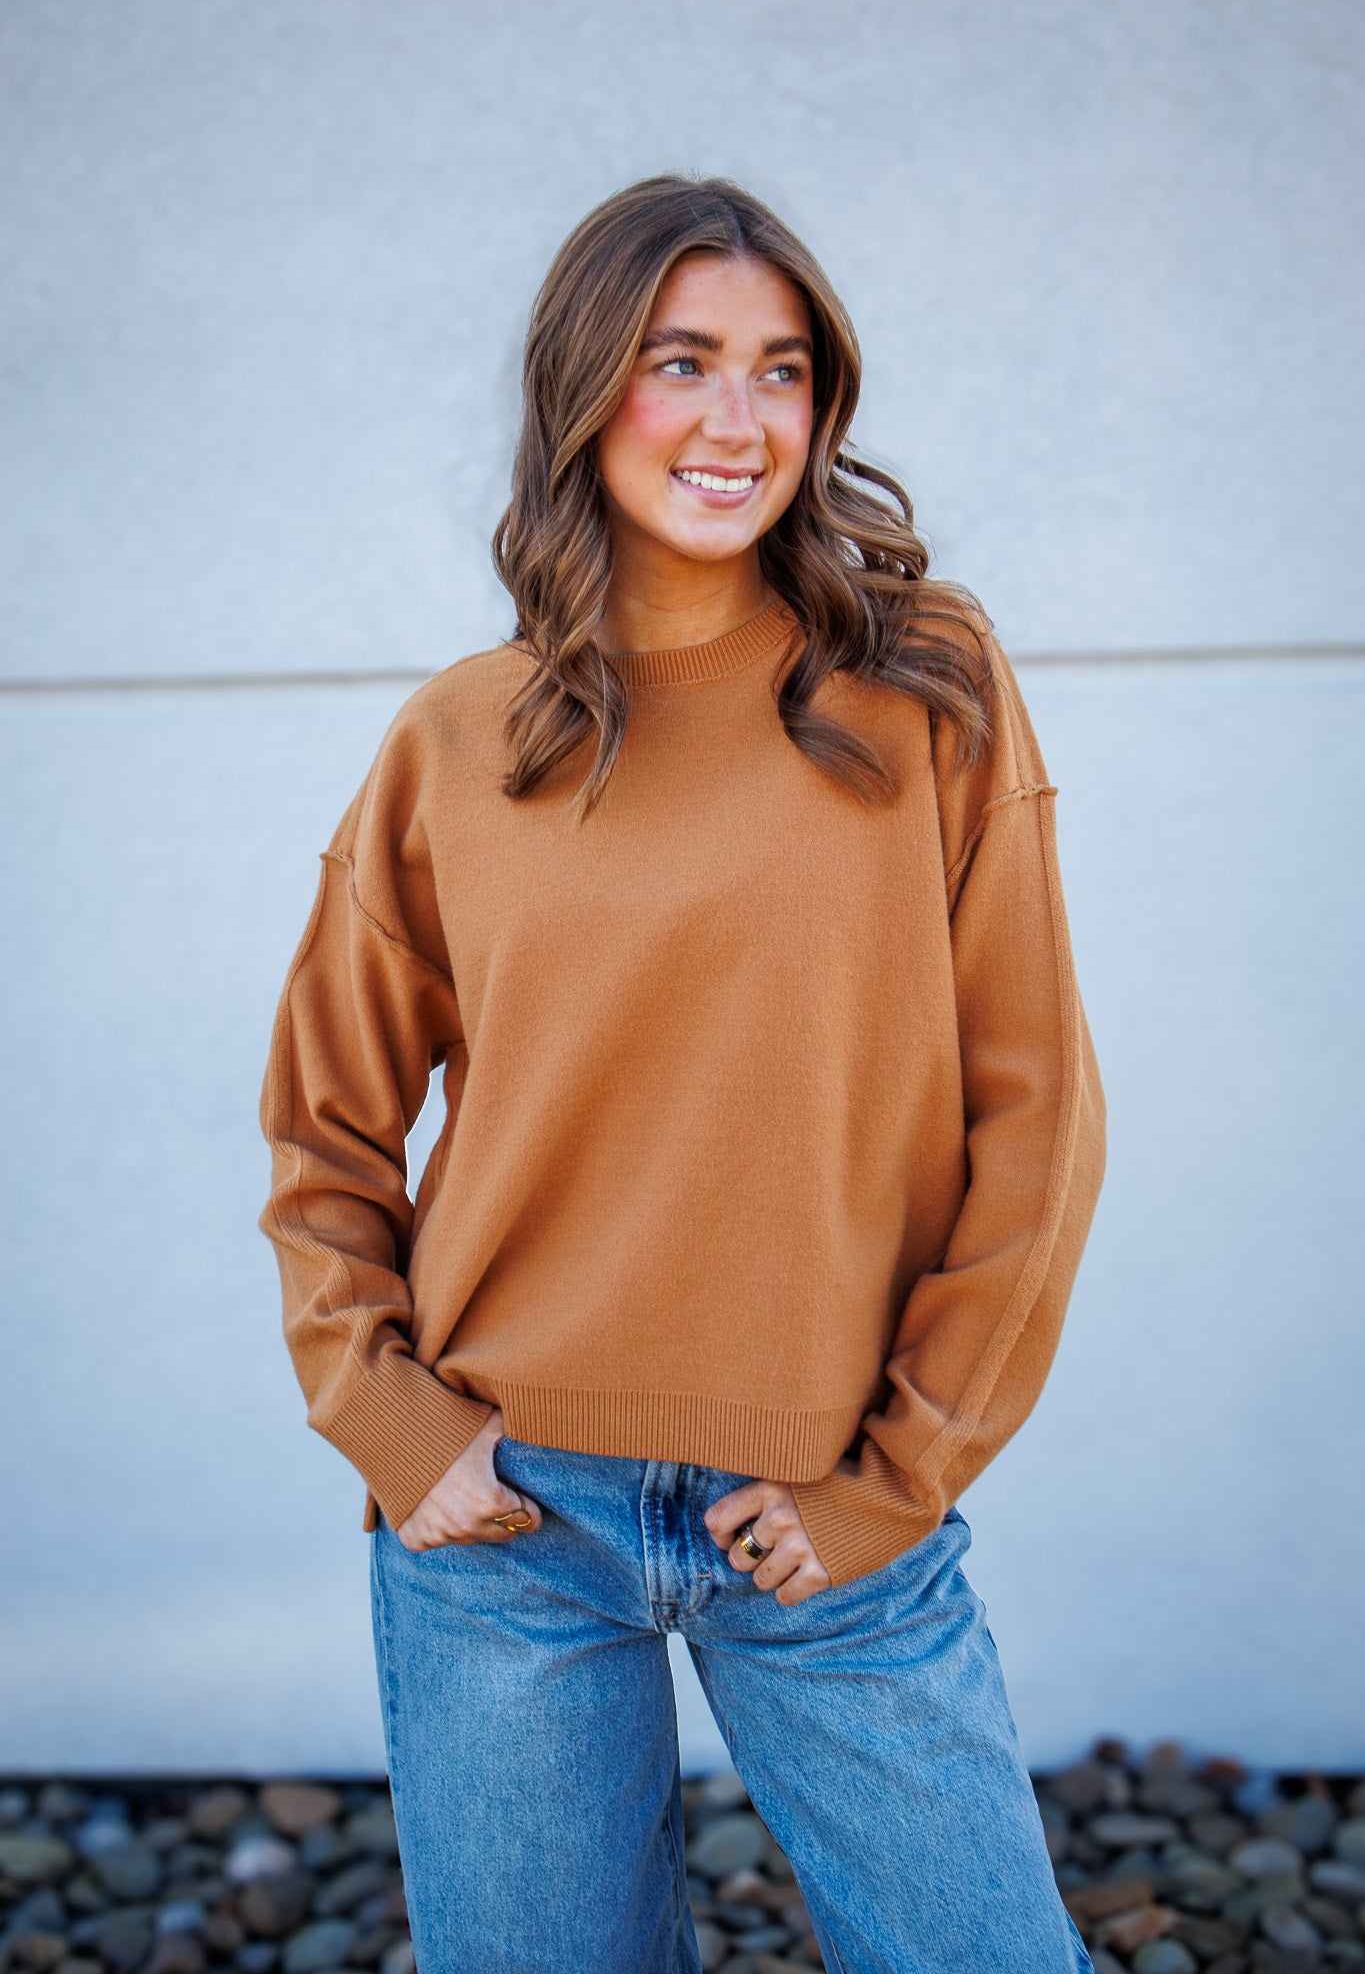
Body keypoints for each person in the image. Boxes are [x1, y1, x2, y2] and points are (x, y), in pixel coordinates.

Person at [258, 173, 1106, 1974]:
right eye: (681, 361)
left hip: (827, 1505)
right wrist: (389, 1423)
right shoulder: (456, 739)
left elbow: (1035, 1121)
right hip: (507, 1524)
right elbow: (321, 1125)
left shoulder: (925, 687)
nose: (740, 421)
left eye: (781, 370)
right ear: (584, 389)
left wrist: (899, 1469)